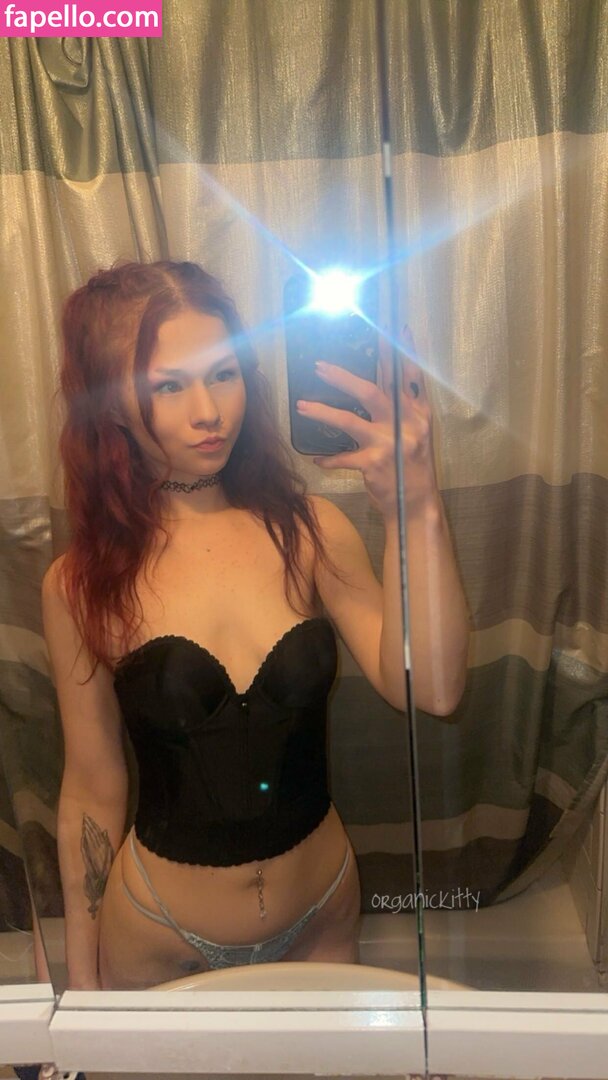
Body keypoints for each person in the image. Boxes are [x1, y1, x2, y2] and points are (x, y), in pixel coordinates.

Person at [41, 259, 469, 990]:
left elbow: (431, 688)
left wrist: (416, 506)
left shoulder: (309, 531)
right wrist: (82, 995)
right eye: (168, 386)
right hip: (158, 938)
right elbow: (91, 790)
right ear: (110, 404)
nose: (209, 411)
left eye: (224, 373)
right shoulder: (82, 583)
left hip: (321, 917)